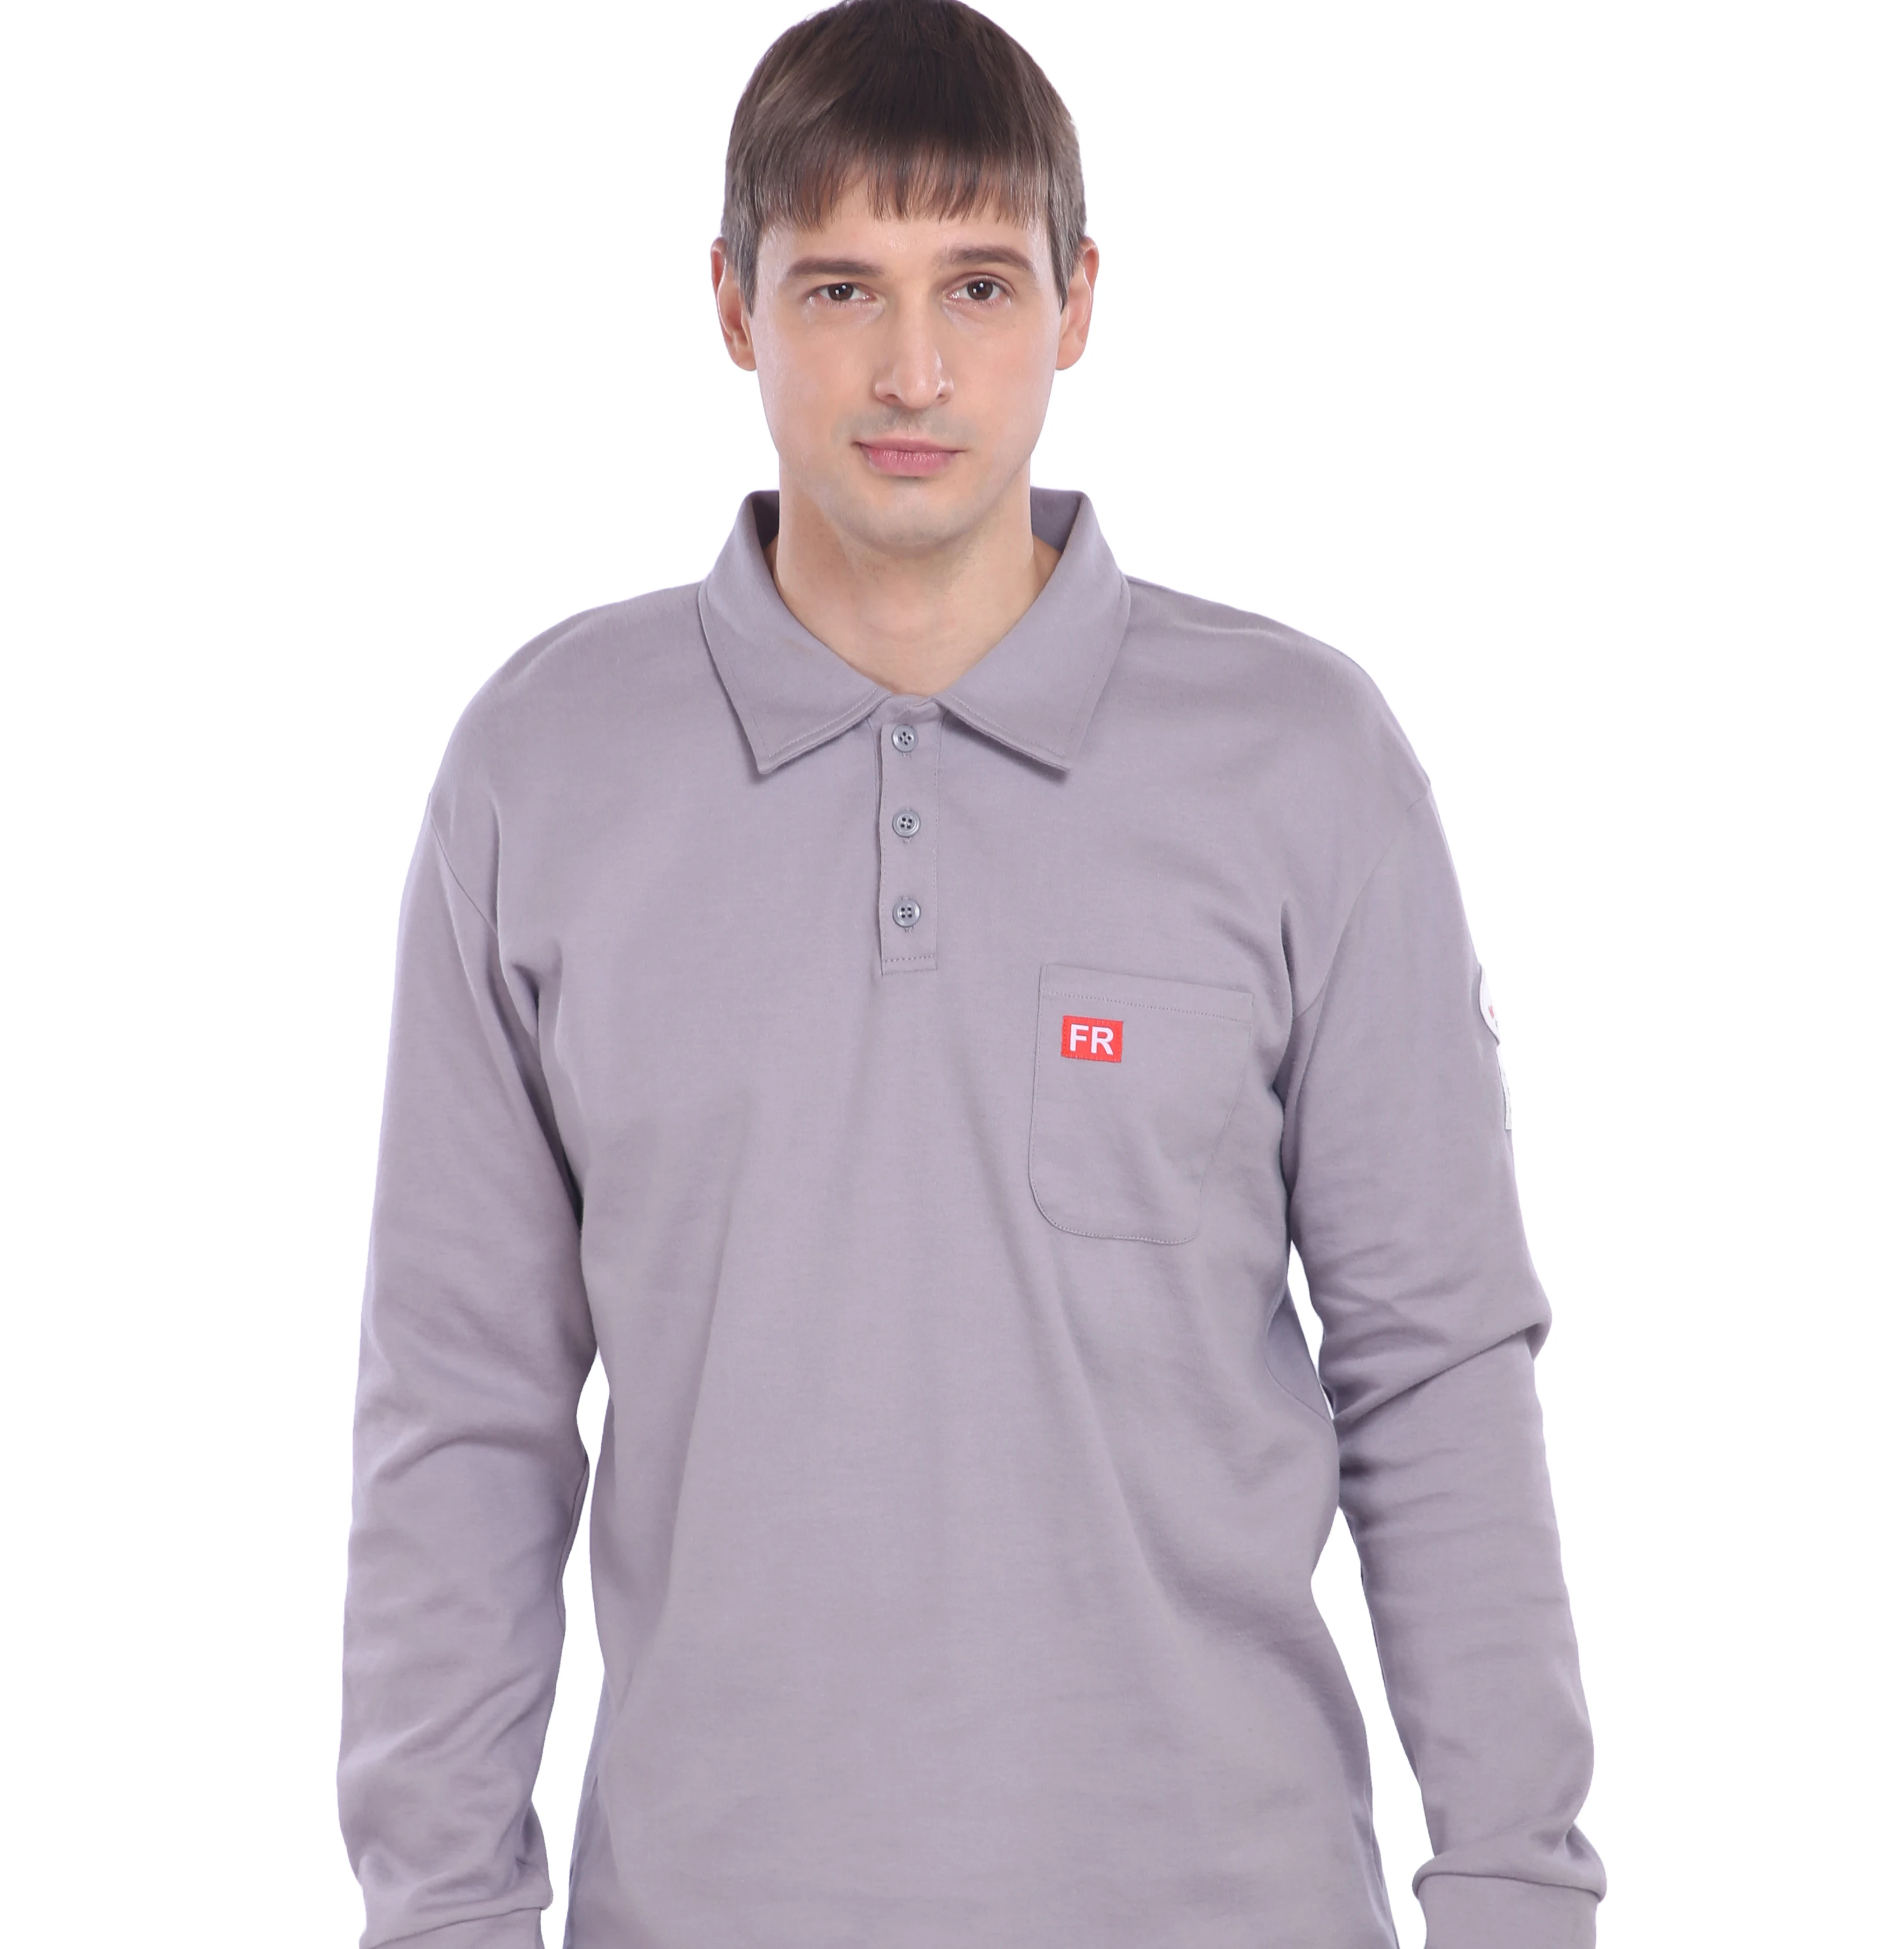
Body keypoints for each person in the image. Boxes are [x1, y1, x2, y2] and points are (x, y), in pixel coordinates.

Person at [336, 2, 1609, 1945]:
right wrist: (442, 1918)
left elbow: (1433, 1375)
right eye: (841, 285)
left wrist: (1519, 1898)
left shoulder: (1304, 764)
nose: (913, 369)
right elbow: (462, 1414)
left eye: (981, 286)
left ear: (1079, 303)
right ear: (733, 304)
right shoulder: (544, 769)